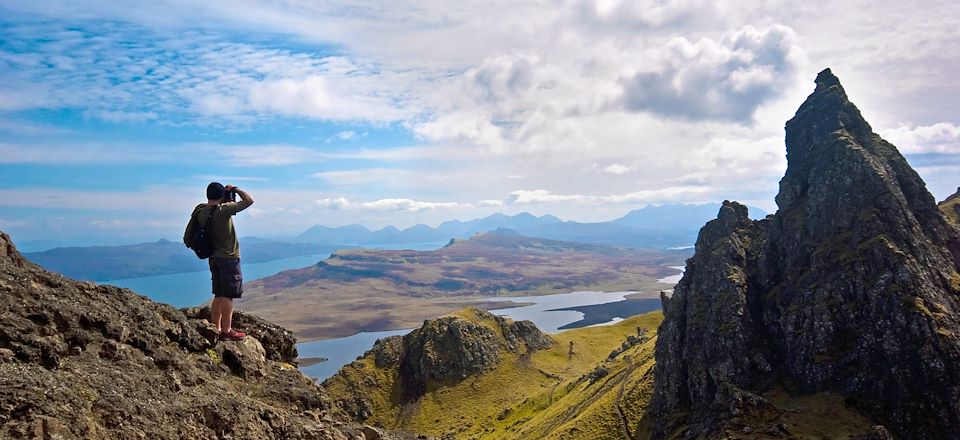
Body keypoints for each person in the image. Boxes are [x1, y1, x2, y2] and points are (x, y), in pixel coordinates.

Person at [184, 182, 254, 341]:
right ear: (221, 195)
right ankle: (226, 331)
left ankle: (215, 328)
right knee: (228, 296)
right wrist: (235, 189)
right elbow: (249, 200)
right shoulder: (224, 210)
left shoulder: (201, 211)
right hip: (229, 258)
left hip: (213, 258)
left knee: (218, 294)